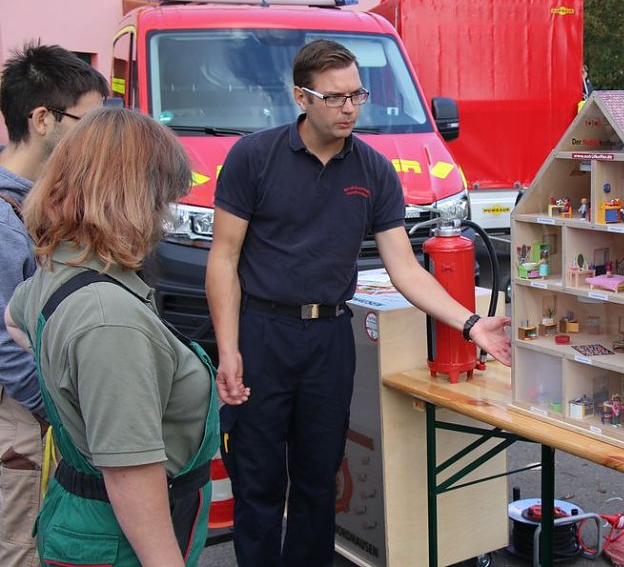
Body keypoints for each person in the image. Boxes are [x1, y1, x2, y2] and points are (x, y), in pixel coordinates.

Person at [206, 39, 512, 566]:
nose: (349, 108)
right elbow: (223, 259)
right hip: (262, 334)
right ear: (301, 96)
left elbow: (405, 269)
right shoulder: (253, 157)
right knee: (257, 481)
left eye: (357, 95)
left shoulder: (372, 170)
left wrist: (470, 324)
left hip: (329, 340)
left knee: (318, 480)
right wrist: (229, 349)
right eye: (335, 97)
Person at [4, 108, 219, 566]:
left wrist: (72, 387)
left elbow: (14, 320)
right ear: (134, 198)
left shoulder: (59, 267)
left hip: (83, 516)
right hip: (117, 542)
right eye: (162, 198)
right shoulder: (109, 320)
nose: (166, 216)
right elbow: (130, 476)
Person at [0, 43, 106, 567]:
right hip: (16, 418)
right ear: (42, 119)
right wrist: (58, 413)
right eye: (88, 121)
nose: (96, 137)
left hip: (28, 412)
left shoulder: (36, 198)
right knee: (18, 546)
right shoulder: (3, 217)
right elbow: (4, 343)